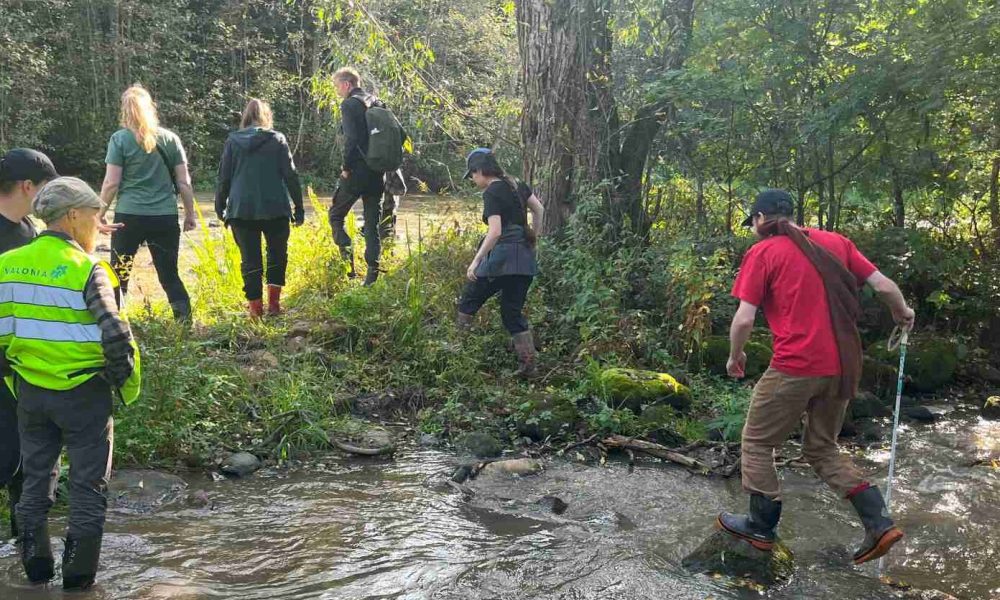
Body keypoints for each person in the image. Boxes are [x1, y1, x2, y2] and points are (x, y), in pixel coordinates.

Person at [717, 189, 915, 565]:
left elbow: (744, 319)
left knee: (757, 442)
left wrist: (735, 355)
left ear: (759, 219)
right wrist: (902, 312)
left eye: (752, 222)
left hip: (796, 365)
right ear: (791, 214)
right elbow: (884, 286)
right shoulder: (836, 243)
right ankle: (879, 523)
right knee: (822, 448)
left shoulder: (763, 252)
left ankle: (760, 527)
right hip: (843, 365)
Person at [1, 177, 140, 590]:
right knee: (87, 488)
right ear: (74, 215)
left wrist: (16, 371)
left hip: (31, 392)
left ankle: (36, 576)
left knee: (34, 482)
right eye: (96, 216)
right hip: (84, 393)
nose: (99, 225)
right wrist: (116, 379)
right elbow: (115, 333)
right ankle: (78, 584)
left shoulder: (7, 264)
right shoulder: (86, 268)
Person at [100, 84, 197, 320]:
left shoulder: (119, 139)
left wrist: (99, 213)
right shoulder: (171, 139)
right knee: (169, 274)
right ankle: (184, 322)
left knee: (119, 273)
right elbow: (184, 182)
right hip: (164, 217)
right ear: (151, 108)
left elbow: (111, 183)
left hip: (128, 217)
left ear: (125, 110)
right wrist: (190, 214)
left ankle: (115, 323)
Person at [0, 149, 58, 540]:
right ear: (26, 186)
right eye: (46, 188)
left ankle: (25, 550)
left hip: (21, 368)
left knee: (23, 464)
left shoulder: (29, 230)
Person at [456, 148, 544, 378]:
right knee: (511, 313)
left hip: (501, 259)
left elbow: (494, 232)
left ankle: (455, 356)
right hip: (524, 259)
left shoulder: (492, 192)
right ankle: (529, 368)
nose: (473, 179)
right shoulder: (518, 184)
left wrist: (476, 261)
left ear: (479, 170)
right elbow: (539, 209)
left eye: (472, 175)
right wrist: (533, 237)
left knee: (469, 300)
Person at [215, 98, 305, 318]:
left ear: (245, 117)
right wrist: (299, 207)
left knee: (250, 260)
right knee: (277, 256)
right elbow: (291, 176)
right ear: (267, 117)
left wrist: (220, 205)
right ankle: (274, 306)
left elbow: (224, 177)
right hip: (275, 208)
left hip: (242, 209)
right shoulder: (277, 139)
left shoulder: (233, 141)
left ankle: (255, 311)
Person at [328, 67, 386, 286]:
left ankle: (349, 270)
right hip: (377, 171)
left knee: (336, 215)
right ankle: (372, 276)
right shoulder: (377, 101)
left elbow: (351, 139)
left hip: (357, 172)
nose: (337, 91)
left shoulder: (349, 104)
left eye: (337, 87)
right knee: (372, 224)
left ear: (347, 84)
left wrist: (346, 167)